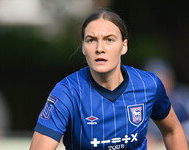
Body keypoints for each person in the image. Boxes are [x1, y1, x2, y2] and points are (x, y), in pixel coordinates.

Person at [30, 8, 188, 150]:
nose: (100, 49)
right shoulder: (67, 92)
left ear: (124, 46)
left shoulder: (149, 85)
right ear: (83, 47)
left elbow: (172, 131)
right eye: (91, 40)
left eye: (109, 40)